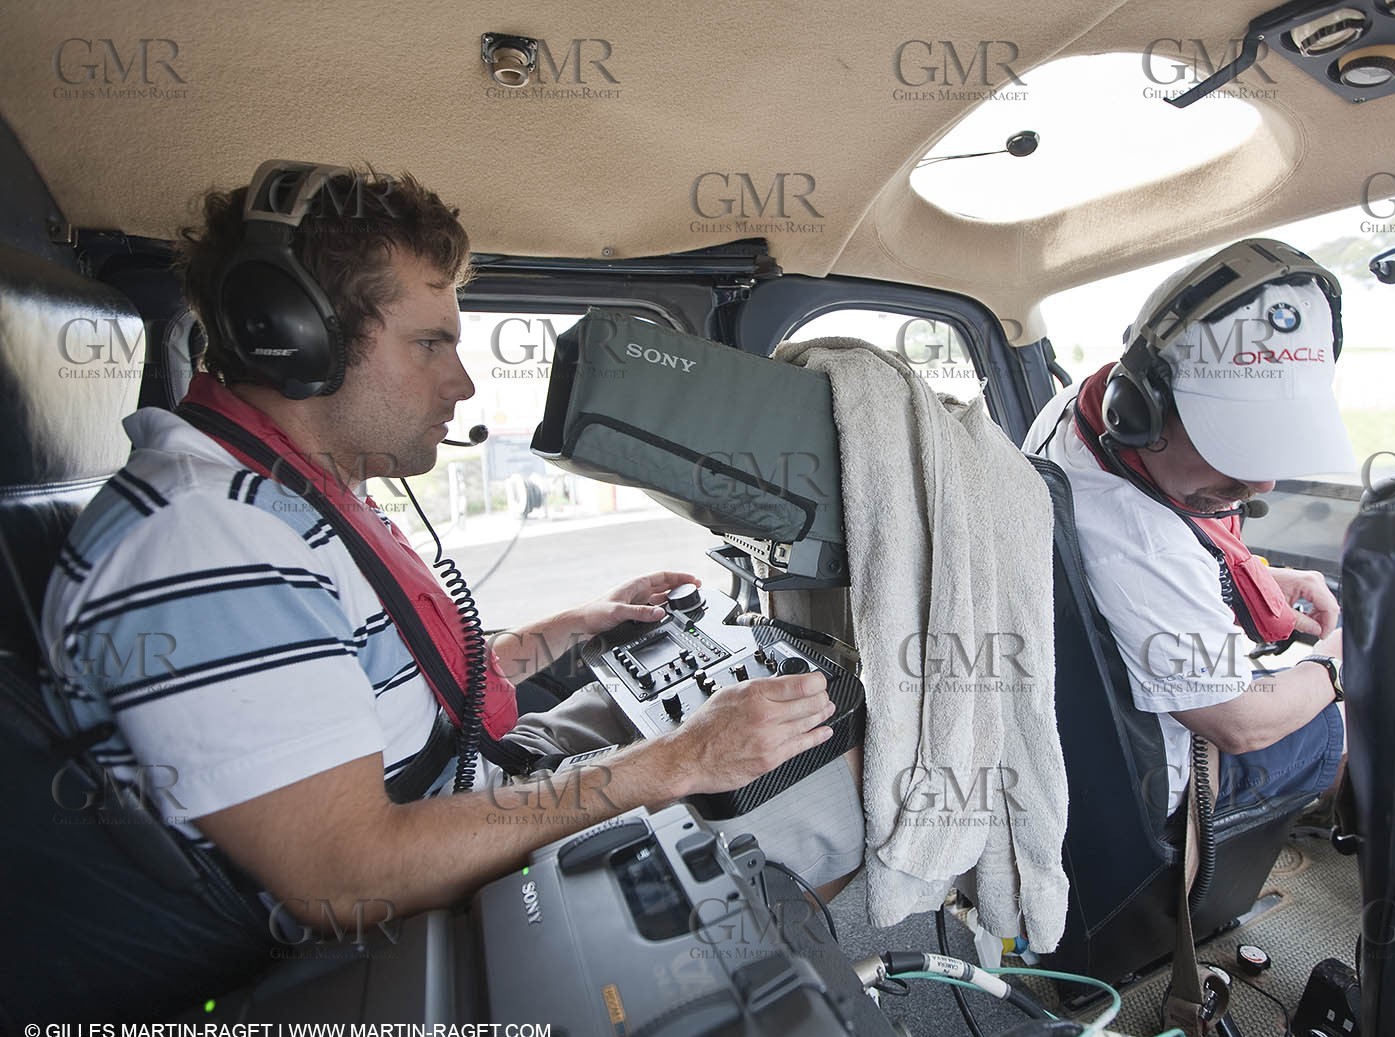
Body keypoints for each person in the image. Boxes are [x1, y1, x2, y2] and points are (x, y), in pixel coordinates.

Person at [40, 161, 864, 947]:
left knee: (772, 703)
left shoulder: (281, 497)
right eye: (429, 344)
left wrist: (570, 626)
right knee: (859, 769)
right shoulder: (204, 542)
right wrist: (679, 761)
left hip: (480, 775)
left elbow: (391, 706)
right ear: (295, 340)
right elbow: (349, 873)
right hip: (437, 890)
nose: (462, 382)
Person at [1023, 238, 1352, 820]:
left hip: (1093, 734)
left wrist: (1268, 577)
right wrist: (1334, 663)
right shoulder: (1139, 540)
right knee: (1364, 709)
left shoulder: (1077, 409)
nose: (1264, 484)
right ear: (1141, 410)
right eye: (1233, 445)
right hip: (1179, 776)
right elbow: (1239, 723)